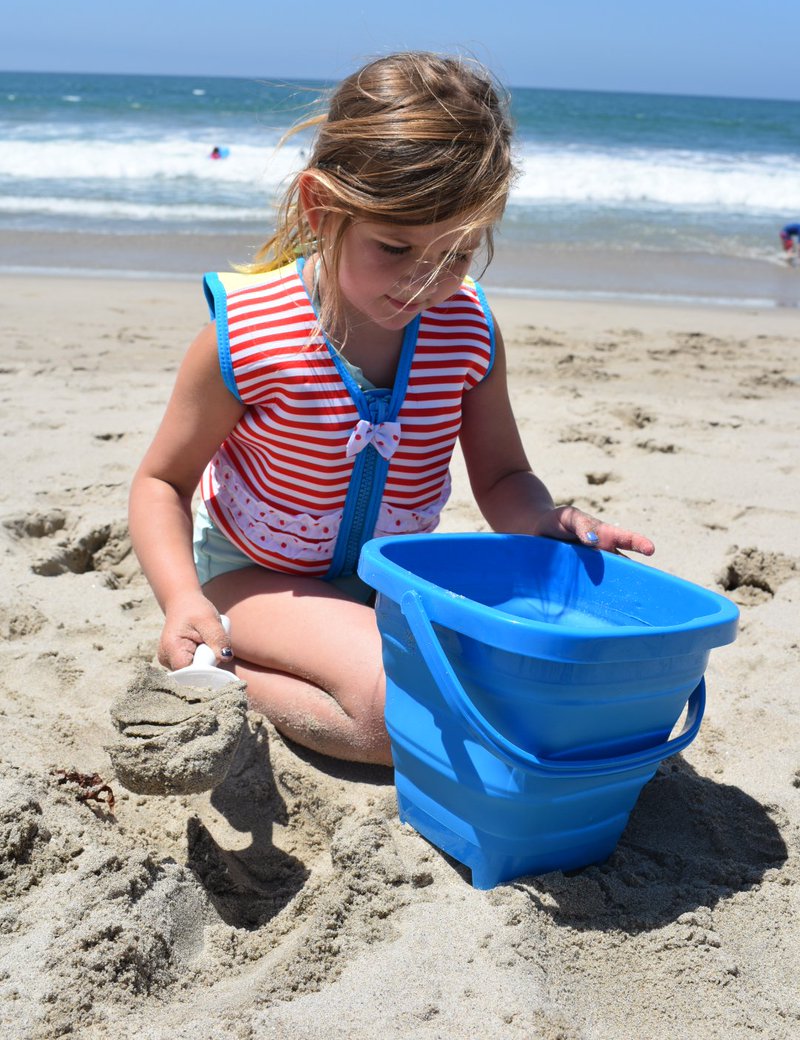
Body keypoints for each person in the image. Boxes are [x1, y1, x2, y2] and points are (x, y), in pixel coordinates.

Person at [129, 52, 655, 767]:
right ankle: (220, 670)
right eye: (396, 246)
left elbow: (501, 477)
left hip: (392, 579)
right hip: (255, 576)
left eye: (460, 252)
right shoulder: (249, 337)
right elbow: (163, 481)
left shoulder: (465, 331)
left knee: (514, 689)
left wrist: (540, 520)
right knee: (391, 716)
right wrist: (181, 597)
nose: (425, 281)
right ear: (322, 208)